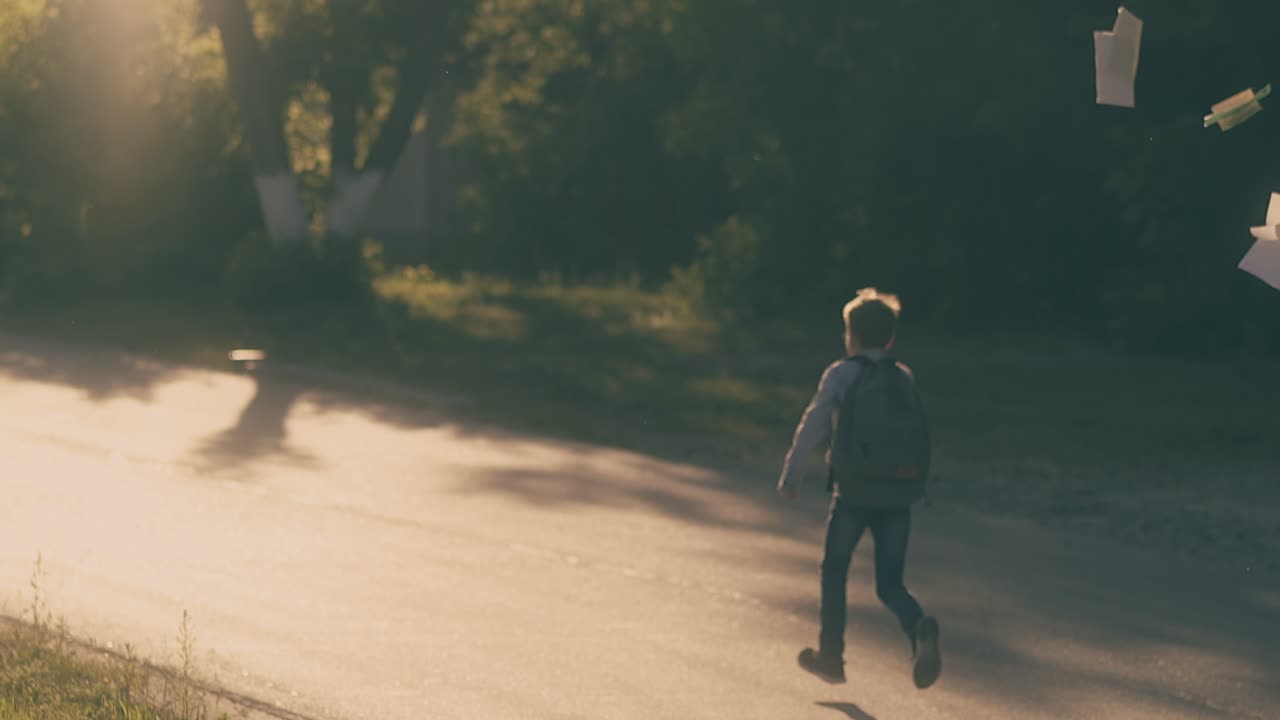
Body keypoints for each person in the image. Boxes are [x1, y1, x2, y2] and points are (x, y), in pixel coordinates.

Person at [777, 287, 941, 690]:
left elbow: (815, 422)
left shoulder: (842, 373)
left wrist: (792, 473)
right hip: (898, 494)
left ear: (851, 335)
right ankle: (918, 626)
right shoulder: (903, 375)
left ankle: (831, 657)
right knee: (890, 583)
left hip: (853, 494)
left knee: (835, 569)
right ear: (891, 339)